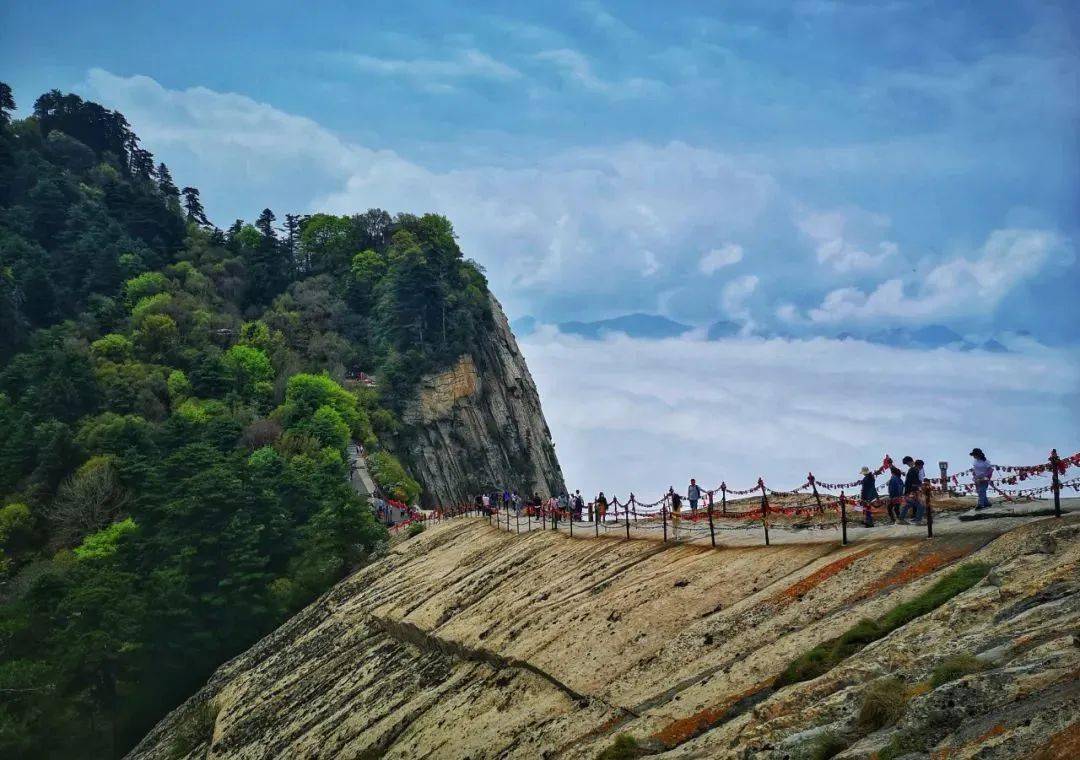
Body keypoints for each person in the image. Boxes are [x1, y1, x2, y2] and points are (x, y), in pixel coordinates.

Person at [900, 456, 923, 524]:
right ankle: (918, 521)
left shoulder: (913, 470)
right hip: (911, 492)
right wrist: (920, 486)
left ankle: (900, 520)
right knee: (921, 506)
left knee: (908, 505)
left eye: (907, 463)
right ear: (920, 466)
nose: (908, 465)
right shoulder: (914, 470)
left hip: (908, 492)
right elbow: (914, 483)